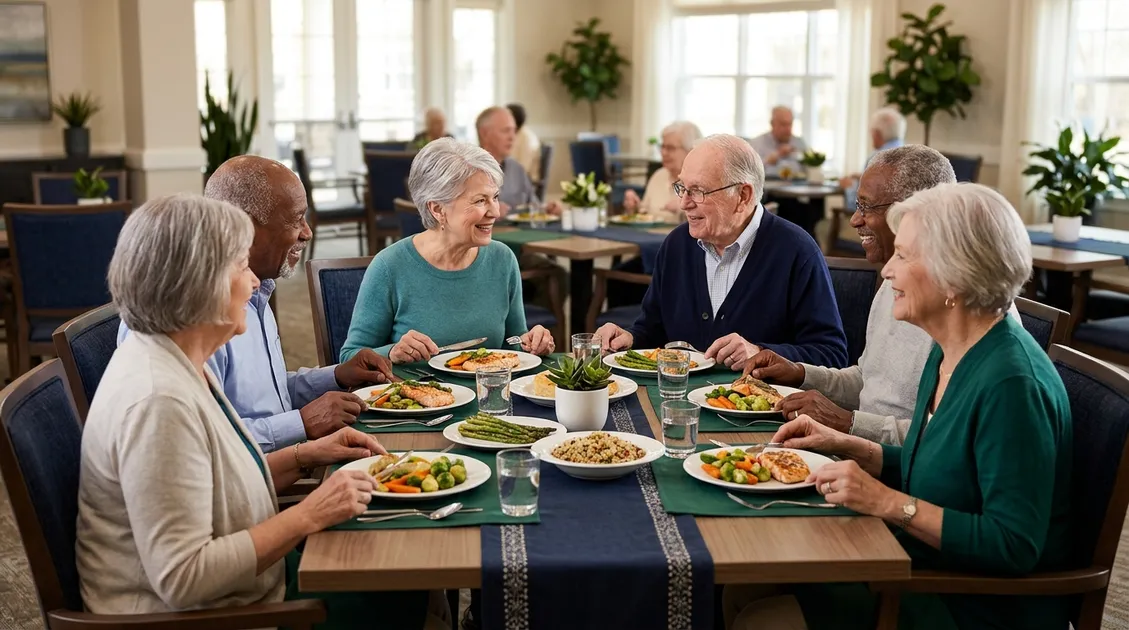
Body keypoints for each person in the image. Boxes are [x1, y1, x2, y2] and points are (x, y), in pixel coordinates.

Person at [77, 194, 448, 628]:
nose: (254, 282)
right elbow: (183, 579)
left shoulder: (177, 358)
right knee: (404, 579)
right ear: (201, 284)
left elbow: (217, 483)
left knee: (405, 568)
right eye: (241, 266)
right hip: (214, 615)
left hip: (249, 583)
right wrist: (310, 513)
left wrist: (305, 455)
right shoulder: (158, 402)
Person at [727, 183, 1073, 630]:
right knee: (744, 584)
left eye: (904, 256)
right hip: (911, 559)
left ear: (955, 274)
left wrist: (886, 501)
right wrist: (848, 445)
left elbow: (1012, 544)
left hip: (967, 601)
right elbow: (940, 465)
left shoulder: (1012, 384)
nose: (888, 269)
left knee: (759, 618)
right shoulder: (948, 351)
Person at [118, 155, 397, 454]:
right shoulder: (190, 319)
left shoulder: (258, 290)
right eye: (296, 219)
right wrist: (301, 424)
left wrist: (336, 376)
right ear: (245, 226)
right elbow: (210, 445)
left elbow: (266, 396)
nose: (307, 232)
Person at [743, 146, 958, 445]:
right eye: (857, 205)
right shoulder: (893, 282)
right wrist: (799, 373)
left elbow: (945, 441)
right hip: (857, 450)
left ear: (915, 213)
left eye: (867, 207)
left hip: (890, 464)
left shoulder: (962, 310)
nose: (855, 219)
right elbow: (867, 381)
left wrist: (848, 423)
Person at [594, 134, 848, 369]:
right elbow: (653, 329)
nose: (684, 203)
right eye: (682, 188)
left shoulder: (797, 251)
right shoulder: (677, 245)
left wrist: (759, 352)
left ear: (743, 196)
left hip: (757, 402)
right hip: (677, 397)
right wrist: (629, 338)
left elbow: (831, 356)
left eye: (698, 191)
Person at [339, 138, 555, 363]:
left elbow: (512, 343)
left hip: (491, 386)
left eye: (495, 197)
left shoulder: (502, 259)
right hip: (416, 386)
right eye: (480, 201)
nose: (495, 212)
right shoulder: (389, 266)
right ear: (437, 209)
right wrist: (392, 352)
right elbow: (348, 358)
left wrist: (532, 343)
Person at [476, 105, 560, 214]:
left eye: (514, 131)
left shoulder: (516, 168)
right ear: (484, 134)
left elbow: (533, 206)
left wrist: (547, 209)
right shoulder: (467, 171)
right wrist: (487, 212)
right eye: (506, 131)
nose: (512, 137)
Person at [623, 121, 702, 223]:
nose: (663, 153)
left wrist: (683, 209)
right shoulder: (659, 175)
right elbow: (645, 214)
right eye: (662, 147)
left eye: (670, 148)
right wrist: (634, 207)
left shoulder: (701, 181)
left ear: (690, 150)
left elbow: (707, 223)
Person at [839, 107, 908, 190]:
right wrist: (862, 176)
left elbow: (866, 196)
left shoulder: (876, 158)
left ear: (876, 133)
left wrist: (849, 187)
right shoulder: (909, 153)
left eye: (871, 131)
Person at [748, 106, 808, 178]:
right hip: (768, 183)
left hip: (797, 183)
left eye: (790, 124)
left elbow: (809, 170)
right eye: (783, 124)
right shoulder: (757, 144)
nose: (788, 129)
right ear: (772, 124)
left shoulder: (799, 143)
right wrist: (771, 159)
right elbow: (749, 172)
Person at [507, 102, 542, 183]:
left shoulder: (527, 138)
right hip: (514, 178)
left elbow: (523, 169)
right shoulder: (516, 134)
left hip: (526, 182)